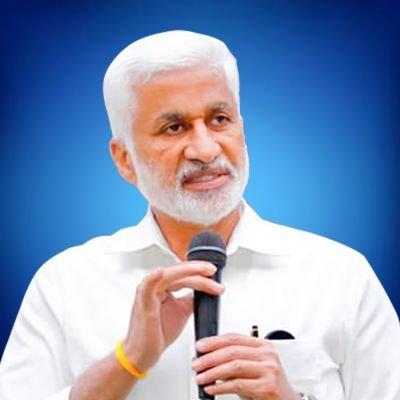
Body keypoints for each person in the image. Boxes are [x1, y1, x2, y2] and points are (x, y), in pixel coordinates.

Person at [0, 30, 399, 400]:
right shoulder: (64, 285)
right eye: (173, 127)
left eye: (219, 119)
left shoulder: (341, 276)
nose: (206, 150)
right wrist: (127, 362)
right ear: (124, 160)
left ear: (241, 128)